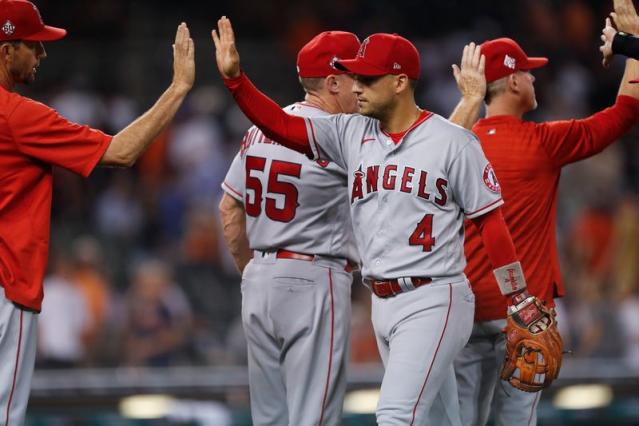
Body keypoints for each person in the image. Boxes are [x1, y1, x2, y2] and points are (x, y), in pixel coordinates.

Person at [212, 17, 542, 425]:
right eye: (355, 77)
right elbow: (281, 126)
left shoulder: (453, 142)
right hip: (382, 301)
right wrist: (236, 83)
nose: (355, 87)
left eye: (367, 79)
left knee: (394, 417)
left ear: (400, 82)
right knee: (441, 420)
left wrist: (519, 301)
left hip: (434, 295)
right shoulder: (351, 133)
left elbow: (492, 227)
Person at [0, 1, 195, 423]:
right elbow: (121, 152)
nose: (43, 54)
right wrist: (177, 88)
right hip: (6, 283)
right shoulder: (16, 115)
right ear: (6, 50)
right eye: (34, 45)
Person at [450, 29, 639, 426]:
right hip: (523, 311)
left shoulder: (455, 143)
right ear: (514, 81)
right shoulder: (543, 141)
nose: (535, 79)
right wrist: (635, 47)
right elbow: (625, 112)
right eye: (529, 73)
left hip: (464, 310)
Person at [218, 31, 361, 426]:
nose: (363, 84)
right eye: (356, 75)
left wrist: (254, 271)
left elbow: (229, 208)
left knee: (269, 419)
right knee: (314, 417)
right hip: (315, 277)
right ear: (332, 82)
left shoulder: (257, 130)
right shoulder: (340, 135)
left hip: (259, 281)